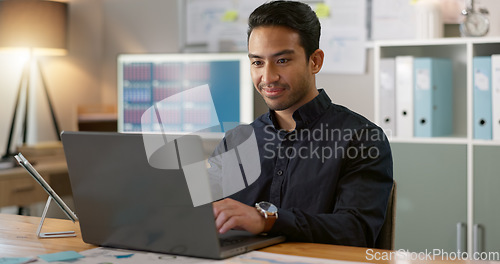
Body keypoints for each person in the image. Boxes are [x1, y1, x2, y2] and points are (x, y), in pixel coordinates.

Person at [210, 0, 393, 247]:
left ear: (315, 61)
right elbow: (191, 216)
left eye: (282, 61)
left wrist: (268, 219)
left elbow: (356, 231)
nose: (268, 77)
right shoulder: (235, 141)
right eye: (257, 62)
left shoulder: (361, 138)